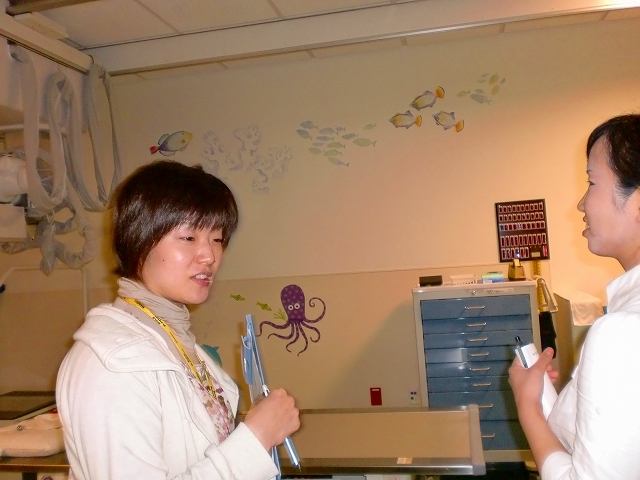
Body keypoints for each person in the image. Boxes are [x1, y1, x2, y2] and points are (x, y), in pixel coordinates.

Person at [56, 160, 300, 479]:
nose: (210, 256)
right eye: (188, 238)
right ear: (139, 239)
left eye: (217, 239)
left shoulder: (171, 339)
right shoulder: (111, 366)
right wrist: (255, 439)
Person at [509, 113, 640, 478]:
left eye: (592, 182)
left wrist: (527, 406)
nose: (581, 204)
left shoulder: (624, 332)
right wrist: (553, 398)